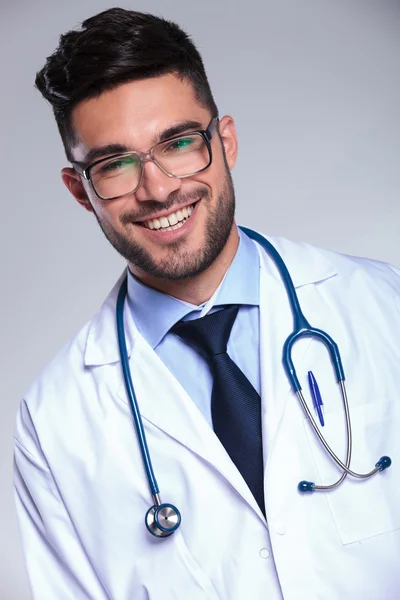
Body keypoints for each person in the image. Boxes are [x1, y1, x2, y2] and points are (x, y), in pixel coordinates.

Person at [13, 7, 400, 600]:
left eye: (178, 142)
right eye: (113, 165)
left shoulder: (383, 305)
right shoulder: (54, 421)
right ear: (80, 192)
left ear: (225, 141)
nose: (159, 187)